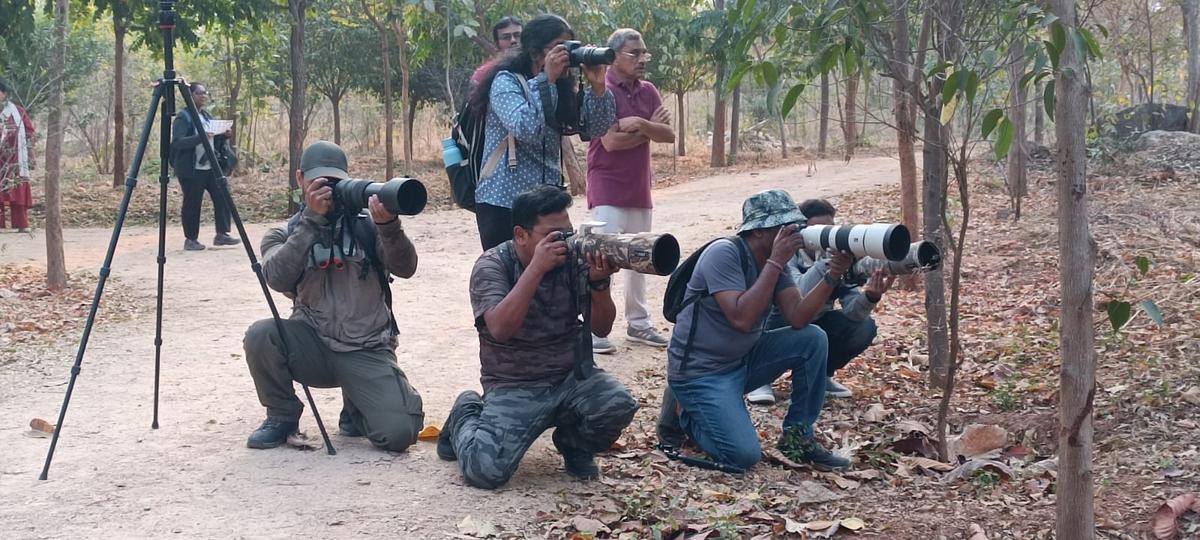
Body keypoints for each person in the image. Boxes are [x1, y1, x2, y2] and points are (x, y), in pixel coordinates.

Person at [439, 185, 639, 489]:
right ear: (521, 235)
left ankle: (574, 444)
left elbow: (602, 328)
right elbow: (500, 329)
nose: (565, 242)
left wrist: (600, 283)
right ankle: (466, 413)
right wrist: (536, 269)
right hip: (514, 385)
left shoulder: (572, 259)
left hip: (568, 378)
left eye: (568, 232)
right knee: (485, 472)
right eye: (554, 235)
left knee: (618, 403)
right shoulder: (493, 265)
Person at [241, 141, 425, 452]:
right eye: (319, 182)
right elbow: (276, 277)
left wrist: (389, 228)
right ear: (300, 179)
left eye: (336, 182)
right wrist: (311, 222)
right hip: (312, 344)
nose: (329, 190)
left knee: (399, 433)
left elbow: (406, 268)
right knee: (261, 335)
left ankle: (357, 406)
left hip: (365, 348)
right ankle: (282, 416)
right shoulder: (283, 233)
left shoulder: (368, 227)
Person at [656, 189, 853, 472]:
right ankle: (685, 415)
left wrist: (832, 274)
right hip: (702, 373)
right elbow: (742, 319)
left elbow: (798, 317)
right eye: (784, 227)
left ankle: (799, 438)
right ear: (758, 231)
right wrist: (775, 263)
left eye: (795, 226)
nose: (794, 233)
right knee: (743, 456)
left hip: (742, 360)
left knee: (812, 338)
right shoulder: (723, 253)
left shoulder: (774, 261)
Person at [469, 13, 617, 251]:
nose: (567, 55)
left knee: (551, 277)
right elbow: (526, 128)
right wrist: (545, 79)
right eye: (559, 47)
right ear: (536, 52)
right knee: (507, 277)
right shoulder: (506, 81)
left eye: (570, 47)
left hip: (548, 201)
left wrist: (598, 86)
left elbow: (596, 128)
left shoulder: (561, 84)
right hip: (504, 202)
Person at [747, 199, 894, 403]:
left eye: (830, 230)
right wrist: (829, 268)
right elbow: (797, 296)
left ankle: (819, 376)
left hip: (814, 325)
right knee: (781, 315)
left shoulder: (836, 256)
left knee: (864, 327)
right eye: (818, 230)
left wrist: (870, 296)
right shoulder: (786, 253)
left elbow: (853, 314)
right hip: (778, 325)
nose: (826, 238)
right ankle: (762, 379)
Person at [585, 28, 675, 354]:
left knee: (641, 260)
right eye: (634, 53)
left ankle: (639, 324)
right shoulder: (601, 91)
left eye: (643, 53)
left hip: (639, 190)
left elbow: (669, 135)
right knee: (602, 259)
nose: (642, 59)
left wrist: (638, 122)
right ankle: (596, 331)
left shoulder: (648, 90)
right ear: (613, 56)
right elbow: (610, 142)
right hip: (607, 189)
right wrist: (648, 127)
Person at [170, 82, 238, 251]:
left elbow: (212, 139)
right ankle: (191, 239)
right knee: (192, 203)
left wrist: (223, 135)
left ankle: (222, 234)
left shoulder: (206, 116)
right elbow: (178, 143)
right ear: (190, 95)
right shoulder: (183, 117)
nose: (204, 96)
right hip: (192, 169)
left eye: (205, 93)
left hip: (210, 166)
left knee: (223, 195)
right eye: (199, 93)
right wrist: (200, 137)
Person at [0, 79, 35, 233]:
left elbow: (29, 133)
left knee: (18, 188)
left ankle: (21, 223)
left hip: (15, 159)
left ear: (4, 93)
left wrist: (31, 155)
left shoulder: (17, 111)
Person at [470, 17, 523, 86]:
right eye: (506, 37)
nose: (513, 40)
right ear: (497, 43)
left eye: (517, 35)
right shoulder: (483, 73)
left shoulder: (537, 67)